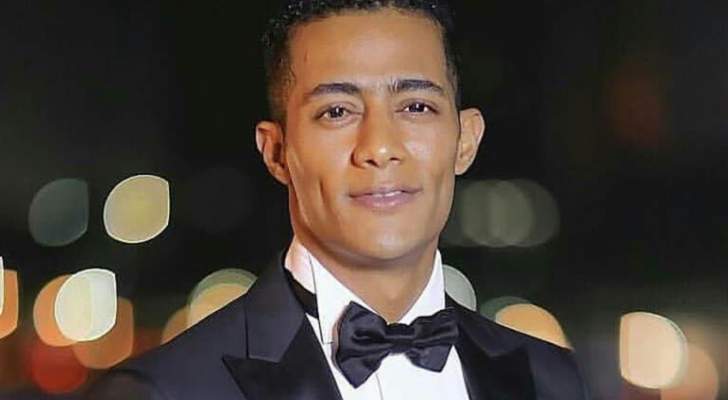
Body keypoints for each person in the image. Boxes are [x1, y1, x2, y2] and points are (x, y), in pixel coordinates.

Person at [87, 1, 589, 399]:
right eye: (337, 112)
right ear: (276, 152)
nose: (380, 148)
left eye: (416, 106)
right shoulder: (165, 391)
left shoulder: (553, 381)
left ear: (466, 140)